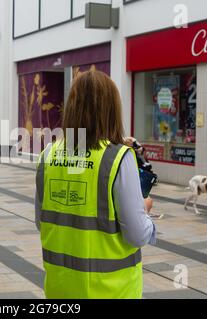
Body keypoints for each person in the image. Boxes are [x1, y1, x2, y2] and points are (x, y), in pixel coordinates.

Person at [35, 70, 156, 299]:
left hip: (60, 288)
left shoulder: (48, 154)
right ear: (111, 108)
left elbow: (42, 223)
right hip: (111, 290)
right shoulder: (119, 157)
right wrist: (145, 208)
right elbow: (137, 235)